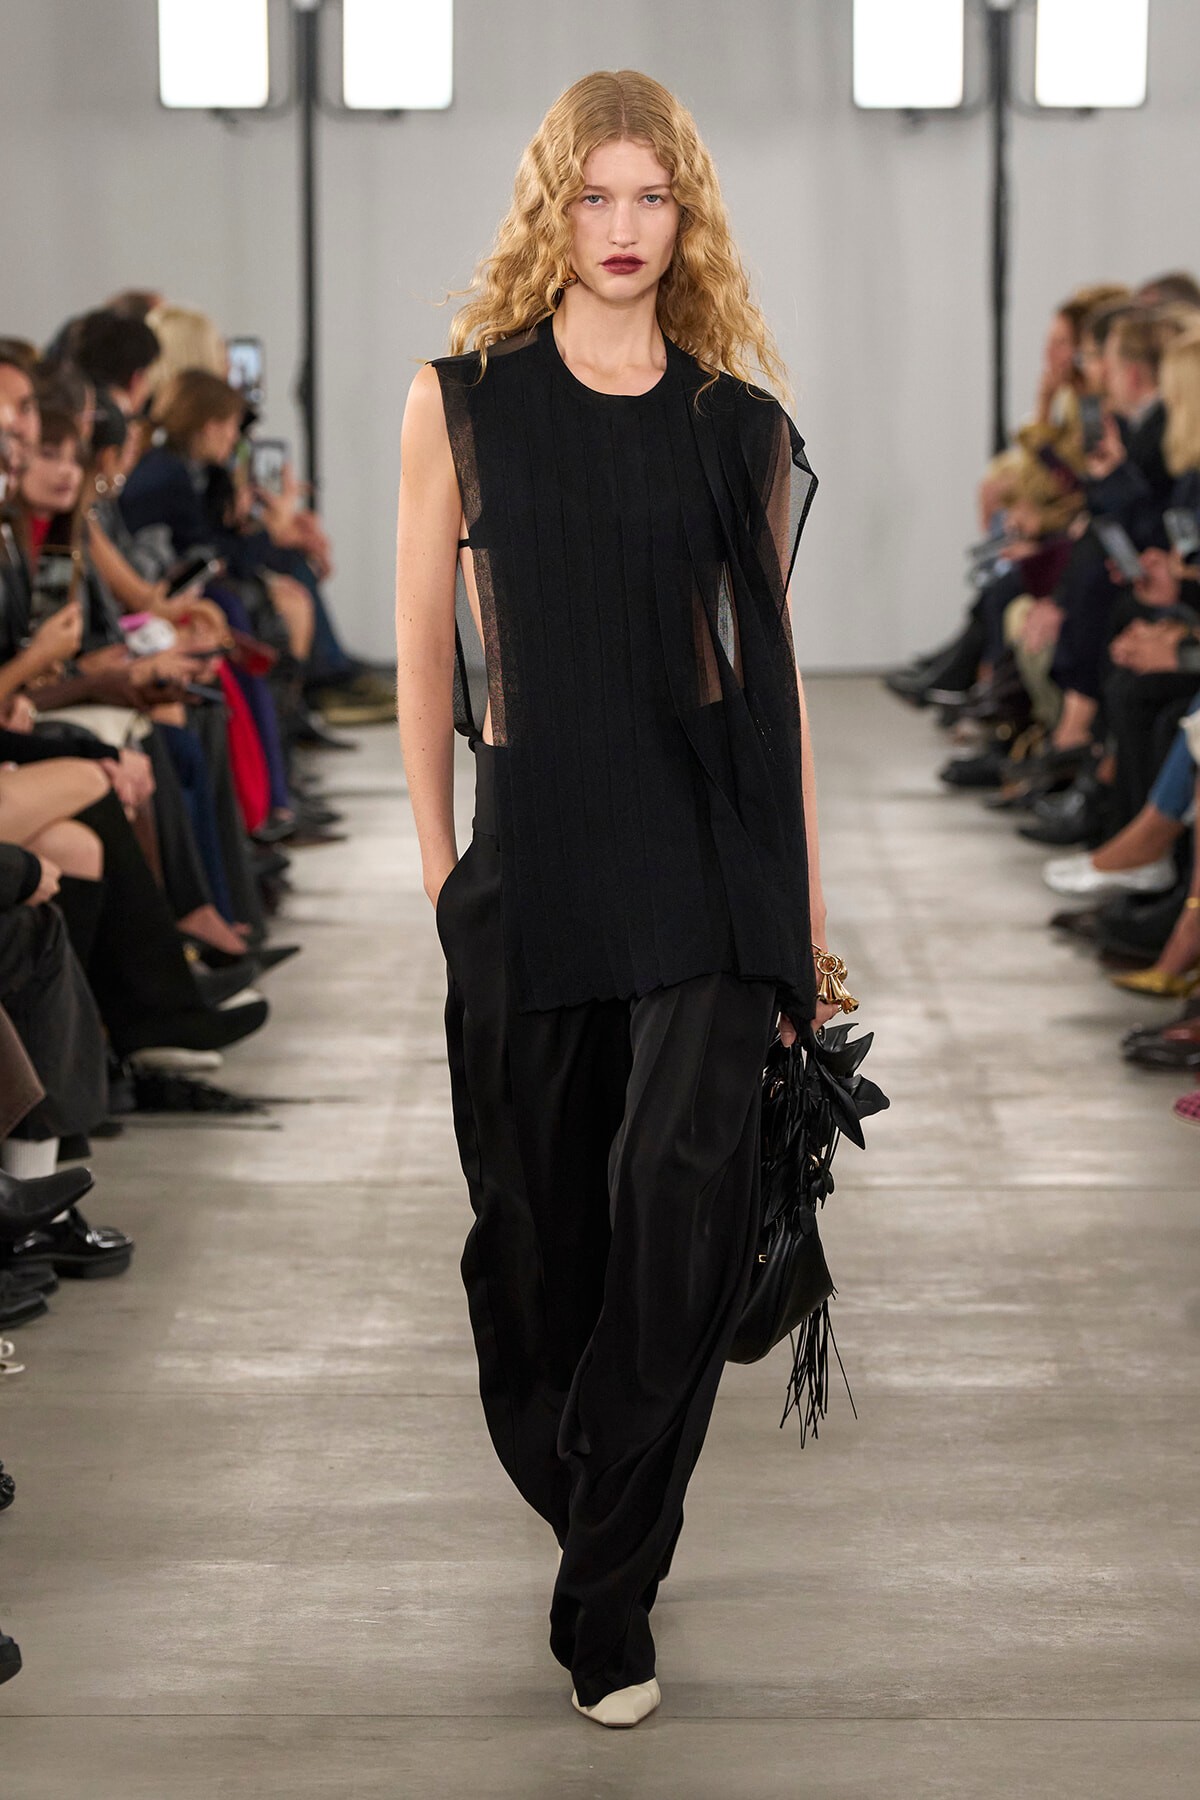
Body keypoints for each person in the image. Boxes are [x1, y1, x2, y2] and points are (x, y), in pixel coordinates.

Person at [395, 69, 849, 1729]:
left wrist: (797, 919)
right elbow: (427, 650)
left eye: (653, 198)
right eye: (594, 196)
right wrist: (442, 870)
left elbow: (775, 691)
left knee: (678, 1222)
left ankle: (609, 1600)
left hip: (704, 869)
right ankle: (603, 1507)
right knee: (538, 1249)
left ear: (688, 217)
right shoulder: (463, 405)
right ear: (550, 208)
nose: (623, 230)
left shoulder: (738, 428)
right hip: (536, 871)